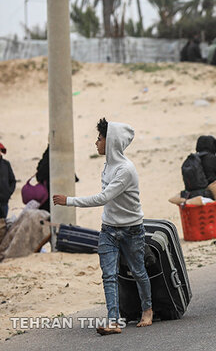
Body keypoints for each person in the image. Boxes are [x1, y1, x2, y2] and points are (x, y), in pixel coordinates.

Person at [53, 119, 152, 335]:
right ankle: (114, 320)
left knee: (137, 270)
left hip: (132, 229)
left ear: (111, 142)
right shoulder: (108, 165)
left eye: (100, 138)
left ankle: (147, 309)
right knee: (109, 274)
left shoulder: (125, 170)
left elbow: (103, 197)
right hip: (108, 229)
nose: (96, 143)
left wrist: (68, 200)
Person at [0, 143, 16, 219]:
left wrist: (8, 192)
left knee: (3, 225)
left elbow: (12, 180)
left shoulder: (6, 164)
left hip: (4, 202)